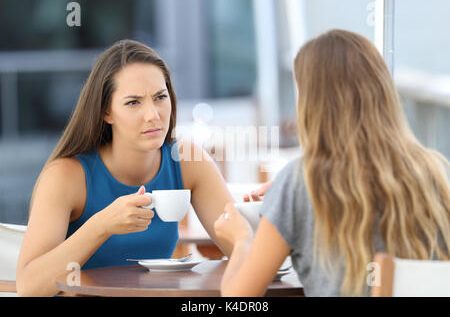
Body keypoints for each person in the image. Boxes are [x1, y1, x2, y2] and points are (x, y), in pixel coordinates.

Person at [214, 29, 450, 297]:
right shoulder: (435, 171)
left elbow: (238, 299)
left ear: (311, 103)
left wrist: (241, 238)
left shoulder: (301, 181)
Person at [16, 39, 236, 296]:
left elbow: (245, 250)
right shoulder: (66, 176)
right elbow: (29, 287)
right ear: (106, 112)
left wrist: (264, 213)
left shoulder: (187, 160)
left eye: (160, 97)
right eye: (133, 102)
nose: (153, 114)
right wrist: (102, 225)